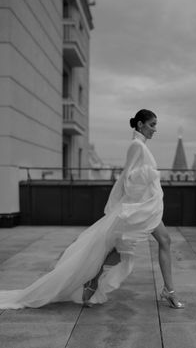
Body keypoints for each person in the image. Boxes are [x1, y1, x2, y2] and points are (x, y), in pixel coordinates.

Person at [0, 109, 184, 309]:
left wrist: (147, 177)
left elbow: (129, 178)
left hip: (145, 205)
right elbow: (127, 179)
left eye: (155, 125)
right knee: (117, 247)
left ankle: (164, 289)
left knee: (152, 242)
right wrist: (148, 175)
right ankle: (94, 280)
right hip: (139, 207)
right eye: (152, 124)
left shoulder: (140, 146)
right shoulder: (136, 145)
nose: (155, 129)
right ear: (140, 124)